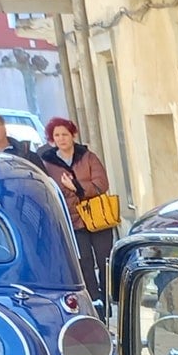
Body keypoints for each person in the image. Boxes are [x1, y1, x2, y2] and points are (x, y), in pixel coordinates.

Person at [38, 116, 114, 306]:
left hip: (97, 216)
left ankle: (108, 295)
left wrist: (76, 186)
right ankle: (94, 300)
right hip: (71, 219)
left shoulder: (88, 157)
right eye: (57, 135)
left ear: (73, 135)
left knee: (104, 257)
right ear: (52, 139)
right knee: (84, 261)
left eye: (65, 134)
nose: (61, 138)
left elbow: (101, 184)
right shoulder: (47, 163)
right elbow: (49, 189)